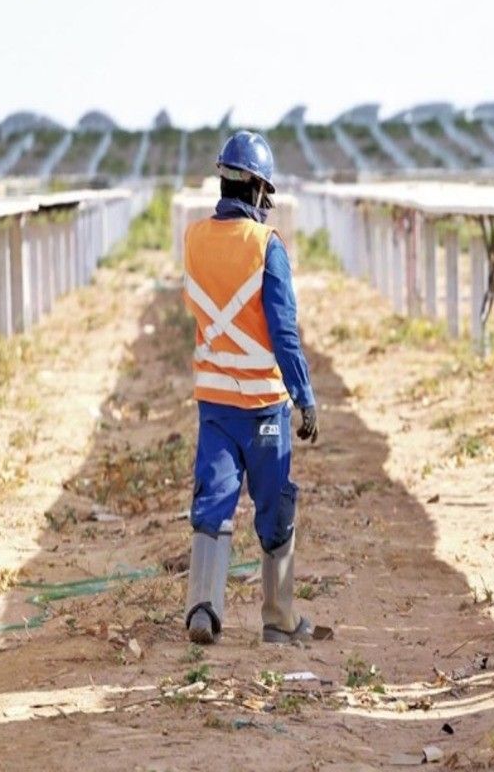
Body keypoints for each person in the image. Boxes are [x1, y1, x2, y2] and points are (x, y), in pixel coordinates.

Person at [182, 131, 319, 645]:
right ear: (260, 191)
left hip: (215, 405)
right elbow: (283, 332)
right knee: (275, 509)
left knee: (213, 503)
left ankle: (202, 607)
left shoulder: (194, 239)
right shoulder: (267, 246)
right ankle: (278, 620)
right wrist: (304, 396)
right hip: (263, 407)